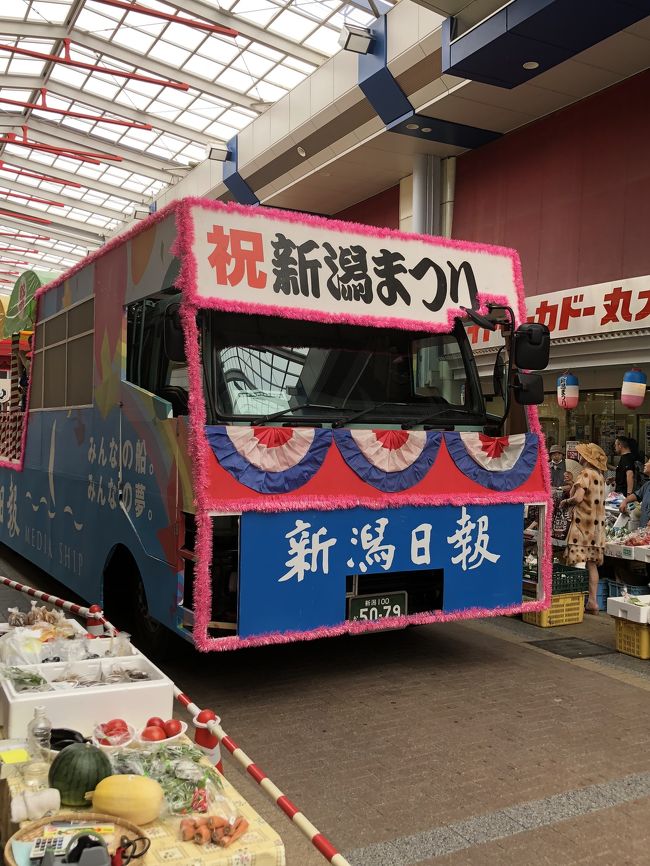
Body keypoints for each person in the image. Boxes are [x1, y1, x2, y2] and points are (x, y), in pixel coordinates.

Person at [559, 443, 608, 615]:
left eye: (582, 455)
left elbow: (578, 498)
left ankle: (575, 603)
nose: (579, 457)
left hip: (582, 526)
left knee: (577, 563)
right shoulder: (600, 477)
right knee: (592, 565)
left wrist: (566, 502)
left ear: (586, 458)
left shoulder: (585, 473)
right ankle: (593, 602)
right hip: (597, 529)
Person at [619, 456, 650, 530]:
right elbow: (636, 495)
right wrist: (625, 501)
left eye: (648, 462)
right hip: (643, 531)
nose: (645, 464)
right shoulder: (647, 485)